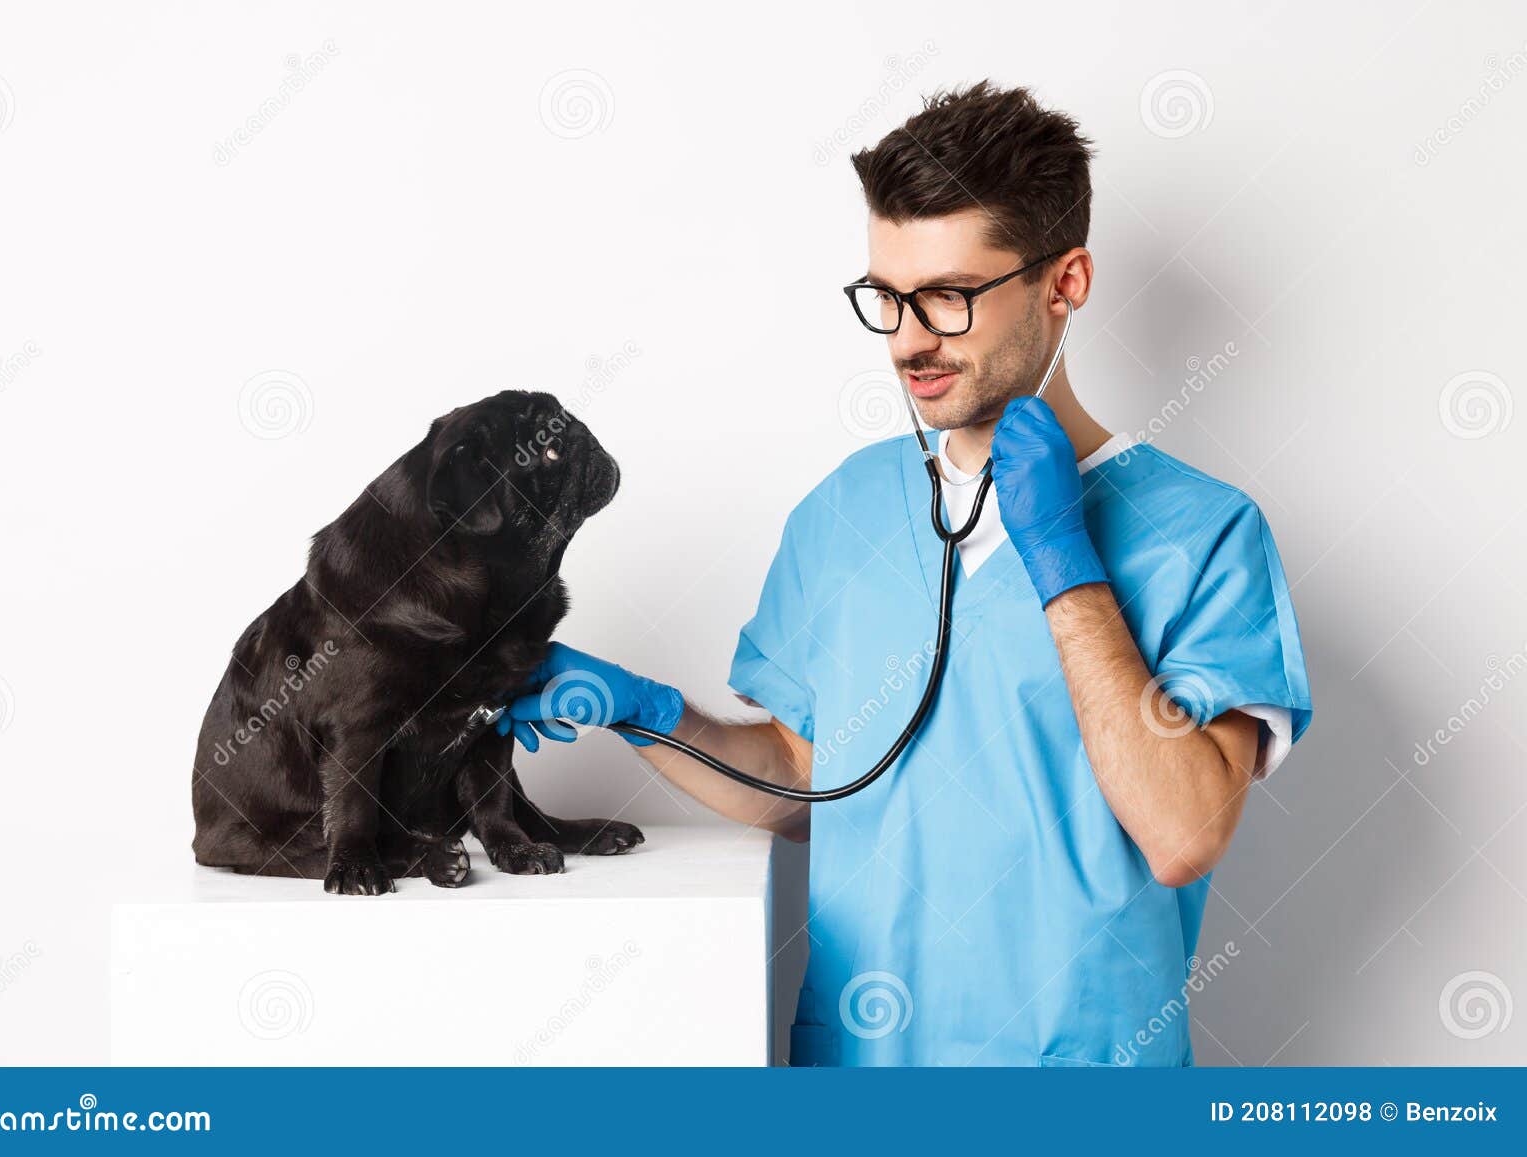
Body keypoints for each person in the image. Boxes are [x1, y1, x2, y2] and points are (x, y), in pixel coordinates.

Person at [498, 82, 1311, 1067]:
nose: (907, 340)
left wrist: (1065, 563)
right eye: (885, 296)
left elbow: (1183, 832)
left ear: (1065, 282)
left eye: (948, 297)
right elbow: (810, 782)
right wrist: (644, 709)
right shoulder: (843, 512)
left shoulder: (1204, 532)